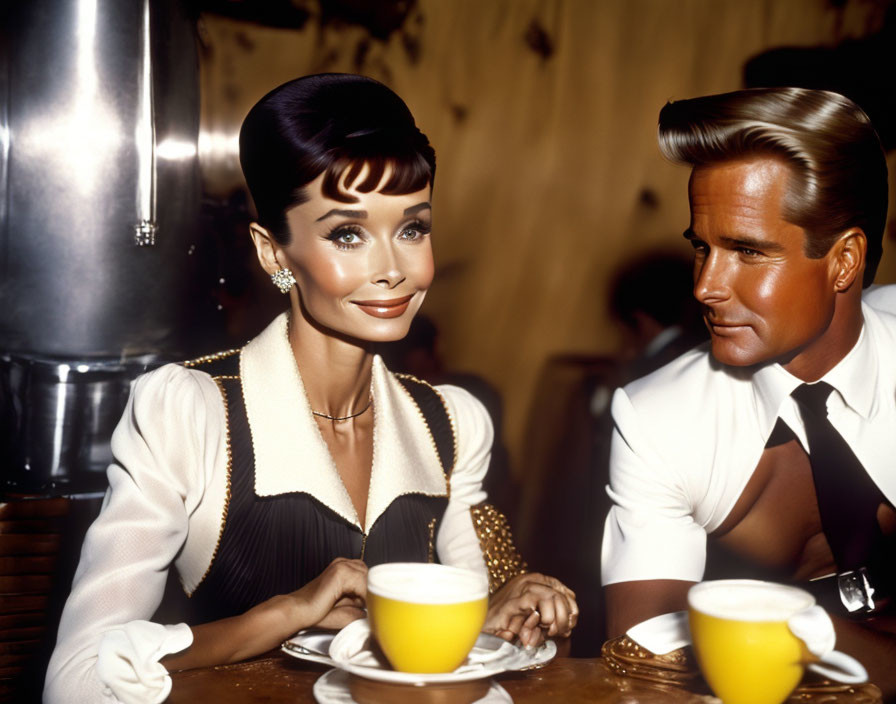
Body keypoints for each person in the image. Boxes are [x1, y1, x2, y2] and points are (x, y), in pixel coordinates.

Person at [45, 74, 577, 704]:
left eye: (412, 228)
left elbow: (476, 662)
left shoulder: (452, 425)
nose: (393, 270)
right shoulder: (190, 413)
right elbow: (76, 680)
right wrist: (286, 614)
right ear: (274, 253)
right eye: (347, 234)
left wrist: (520, 613)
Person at [600, 87, 896, 695]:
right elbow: (642, 660)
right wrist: (816, 628)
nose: (706, 286)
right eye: (702, 248)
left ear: (844, 262)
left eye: (746, 252)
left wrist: (780, 625)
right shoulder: (658, 418)